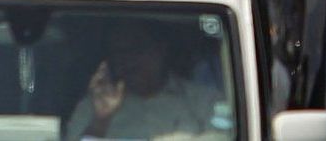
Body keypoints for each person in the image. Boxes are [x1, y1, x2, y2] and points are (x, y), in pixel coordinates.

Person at [63, 20, 228, 141]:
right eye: (119, 52)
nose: (128, 60)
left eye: (136, 49)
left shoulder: (204, 101)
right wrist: (100, 121)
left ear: (160, 50)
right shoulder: (91, 109)